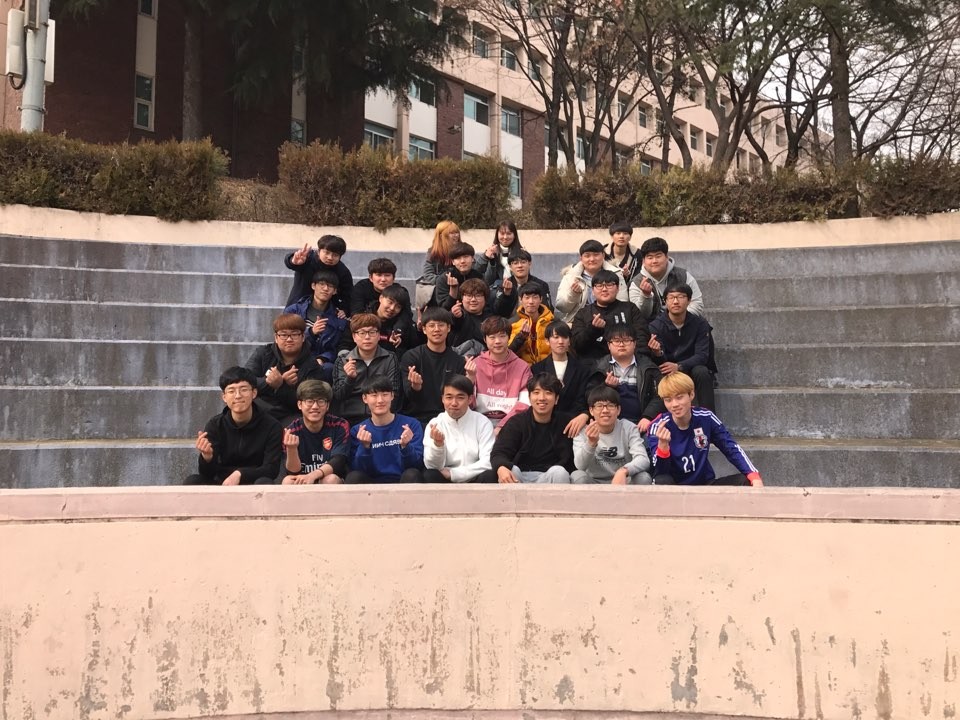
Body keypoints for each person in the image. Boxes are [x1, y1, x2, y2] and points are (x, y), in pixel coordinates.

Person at [647, 372, 762, 486]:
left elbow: (730, 447)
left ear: (691, 394)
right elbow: (660, 472)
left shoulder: (706, 417)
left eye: (679, 397)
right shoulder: (657, 426)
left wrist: (753, 475)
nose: (674, 404)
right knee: (662, 481)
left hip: (705, 484)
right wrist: (663, 446)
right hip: (675, 488)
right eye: (668, 400)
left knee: (747, 480)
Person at [185, 366, 282, 485]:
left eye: (243, 389)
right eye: (231, 391)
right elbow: (207, 474)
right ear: (224, 397)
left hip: (254, 483)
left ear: (254, 393)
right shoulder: (215, 425)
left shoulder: (272, 426)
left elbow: (271, 469)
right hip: (223, 483)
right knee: (192, 481)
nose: (238, 396)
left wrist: (240, 474)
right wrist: (207, 457)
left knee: (265, 482)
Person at [488, 373, 575, 484]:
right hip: (519, 476)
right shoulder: (516, 422)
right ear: (529, 397)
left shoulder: (566, 423)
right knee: (511, 469)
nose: (542, 398)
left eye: (548, 393)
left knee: (560, 472)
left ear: (556, 399)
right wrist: (501, 467)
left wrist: (585, 415)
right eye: (536, 392)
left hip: (550, 476)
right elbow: (498, 453)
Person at [244, 313, 325, 425]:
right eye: (283, 335)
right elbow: (245, 381)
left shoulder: (312, 365)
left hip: (290, 414)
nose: (289, 339)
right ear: (276, 338)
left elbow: (310, 402)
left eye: (294, 334)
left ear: (303, 337)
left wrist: (281, 386)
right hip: (260, 409)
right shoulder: (263, 353)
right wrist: (270, 382)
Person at [648, 283, 716, 412]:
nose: (676, 301)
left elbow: (702, 356)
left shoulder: (700, 324)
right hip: (668, 368)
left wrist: (679, 366)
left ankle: (708, 416)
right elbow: (660, 361)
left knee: (702, 372)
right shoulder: (656, 326)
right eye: (671, 297)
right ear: (665, 301)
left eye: (681, 297)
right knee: (660, 375)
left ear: (689, 300)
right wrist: (657, 353)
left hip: (691, 367)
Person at [346, 376, 424, 483]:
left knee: (412, 474)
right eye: (374, 395)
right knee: (353, 477)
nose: (380, 400)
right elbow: (357, 468)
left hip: (403, 481)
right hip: (372, 484)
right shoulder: (358, 431)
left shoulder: (411, 425)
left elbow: (417, 466)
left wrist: (406, 447)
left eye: (385, 394)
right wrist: (365, 447)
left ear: (392, 396)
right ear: (365, 398)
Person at [400, 307, 466, 428]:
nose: (436, 329)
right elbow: (408, 396)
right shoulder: (411, 357)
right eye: (431, 325)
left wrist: (470, 378)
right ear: (424, 329)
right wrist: (416, 387)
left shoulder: (458, 361)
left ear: (449, 328)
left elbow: (460, 396)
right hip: (416, 419)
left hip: (448, 418)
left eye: (441, 325)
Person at [333, 314, 403, 426]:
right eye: (361, 333)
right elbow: (339, 396)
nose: (367, 337)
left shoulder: (390, 358)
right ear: (354, 337)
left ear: (379, 335)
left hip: (381, 416)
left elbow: (394, 392)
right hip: (350, 417)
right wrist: (350, 379)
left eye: (372, 332)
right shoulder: (343, 360)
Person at [422, 375, 495, 483]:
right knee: (430, 474)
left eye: (460, 397)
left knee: (490, 475)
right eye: (449, 397)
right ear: (442, 399)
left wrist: (454, 474)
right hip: (445, 479)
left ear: (470, 399)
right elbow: (432, 466)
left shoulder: (482, 422)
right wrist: (438, 445)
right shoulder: (435, 424)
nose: (454, 403)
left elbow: (488, 461)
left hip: (475, 477)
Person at [572, 385, 652, 485]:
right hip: (594, 482)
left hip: (623, 480)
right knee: (578, 476)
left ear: (618, 410)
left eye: (610, 405)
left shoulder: (629, 428)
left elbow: (643, 459)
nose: (605, 410)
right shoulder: (583, 431)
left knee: (643, 477)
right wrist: (591, 443)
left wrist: (623, 471)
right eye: (599, 406)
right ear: (591, 410)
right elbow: (580, 465)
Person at [467, 315, 533, 430]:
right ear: (485, 339)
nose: (497, 341)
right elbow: (466, 403)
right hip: (477, 423)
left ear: (509, 337)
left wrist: (501, 427)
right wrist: (470, 380)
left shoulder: (522, 367)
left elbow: (525, 403)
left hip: (512, 424)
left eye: (502, 336)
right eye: (492, 337)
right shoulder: (476, 364)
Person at [280, 380, 350, 484]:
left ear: (327, 405)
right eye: (309, 401)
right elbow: (293, 472)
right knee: (288, 481)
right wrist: (291, 449)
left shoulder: (340, 425)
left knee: (331, 479)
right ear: (299, 404)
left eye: (321, 401)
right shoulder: (291, 430)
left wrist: (313, 475)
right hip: (302, 478)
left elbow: (339, 460)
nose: (315, 406)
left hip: (328, 476)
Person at [283, 269, 348, 381]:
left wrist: (323, 358)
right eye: (322, 284)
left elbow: (337, 347)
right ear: (313, 286)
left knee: (328, 368)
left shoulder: (338, 318)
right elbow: (285, 338)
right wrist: (311, 332)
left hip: (322, 363)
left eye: (330, 286)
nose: (325, 289)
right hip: (295, 358)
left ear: (334, 291)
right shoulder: (294, 311)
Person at [597, 325, 664, 432]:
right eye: (616, 341)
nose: (621, 344)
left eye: (626, 340)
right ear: (609, 345)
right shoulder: (599, 368)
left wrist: (648, 417)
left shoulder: (648, 367)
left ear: (635, 344)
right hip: (610, 425)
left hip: (642, 423)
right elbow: (591, 396)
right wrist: (607, 387)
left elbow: (661, 395)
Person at [570, 269, 649, 360]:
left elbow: (641, 337)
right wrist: (593, 329)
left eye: (609, 285)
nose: (604, 289)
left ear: (618, 288)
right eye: (599, 286)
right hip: (594, 364)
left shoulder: (630, 309)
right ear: (593, 291)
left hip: (629, 360)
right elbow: (577, 345)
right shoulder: (583, 313)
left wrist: (636, 360)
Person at [532, 321, 596, 431]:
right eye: (556, 337)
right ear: (547, 341)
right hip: (543, 423)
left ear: (569, 341)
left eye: (565, 337)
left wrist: (584, 414)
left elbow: (582, 399)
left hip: (573, 424)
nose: (561, 342)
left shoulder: (582, 369)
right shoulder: (537, 369)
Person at [628, 236, 705, 320]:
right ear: (643, 261)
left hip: (683, 323)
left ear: (666, 257)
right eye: (650, 257)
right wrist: (645, 296)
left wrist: (676, 318)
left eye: (658, 256)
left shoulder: (683, 275)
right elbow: (639, 315)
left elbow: (697, 303)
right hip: (651, 326)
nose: (654, 261)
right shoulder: (637, 282)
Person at [555, 239, 628, 324]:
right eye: (587, 256)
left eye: (596, 255)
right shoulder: (571, 276)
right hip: (577, 322)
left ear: (603, 255)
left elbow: (623, 302)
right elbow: (562, 307)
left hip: (610, 321)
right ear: (581, 258)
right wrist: (574, 295)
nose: (592, 259)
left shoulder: (616, 274)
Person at [284, 234, 352, 312]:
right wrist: (293, 261)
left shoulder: (343, 272)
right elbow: (291, 263)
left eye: (335, 255)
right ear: (319, 251)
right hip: (298, 306)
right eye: (326, 253)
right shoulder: (307, 259)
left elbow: (348, 295)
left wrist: (344, 310)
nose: (330, 257)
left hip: (326, 311)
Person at [492, 250, 553, 317]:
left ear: (529, 264)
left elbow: (548, 310)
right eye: (515, 263)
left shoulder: (541, 285)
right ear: (510, 267)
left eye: (523, 262)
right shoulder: (504, 285)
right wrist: (506, 294)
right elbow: (498, 312)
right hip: (511, 321)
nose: (520, 266)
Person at [415, 220, 461, 308]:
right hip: (439, 289)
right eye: (452, 233)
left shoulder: (462, 251)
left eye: (457, 232)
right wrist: (444, 282)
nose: (456, 236)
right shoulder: (433, 253)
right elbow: (428, 275)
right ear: (441, 236)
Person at [508, 282, 554, 365]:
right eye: (527, 297)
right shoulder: (512, 323)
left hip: (547, 367)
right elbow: (508, 353)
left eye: (535, 297)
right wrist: (521, 337)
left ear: (541, 299)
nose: (531, 301)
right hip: (523, 368)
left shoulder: (552, 321)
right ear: (520, 300)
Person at [450, 278, 493, 356]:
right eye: (469, 296)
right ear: (462, 299)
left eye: (478, 296)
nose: (473, 300)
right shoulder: (460, 315)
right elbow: (455, 322)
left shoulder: (491, 319)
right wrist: (455, 316)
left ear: (485, 299)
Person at [436, 242, 485, 310]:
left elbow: (485, 303)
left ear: (473, 259)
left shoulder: (478, 277)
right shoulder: (444, 279)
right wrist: (453, 290)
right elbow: (444, 308)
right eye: (458, 258)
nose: (462, 261)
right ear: (453, 262)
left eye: (466, 257)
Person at [476, 220, 524, 286]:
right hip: (495, 289)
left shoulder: (521, 252)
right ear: (497, 235)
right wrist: (486, 257)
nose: (505, 237)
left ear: (514, 235)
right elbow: (478, 273)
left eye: (509, 233)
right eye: (502, 233)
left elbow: (525, 277)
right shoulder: (491, 251)